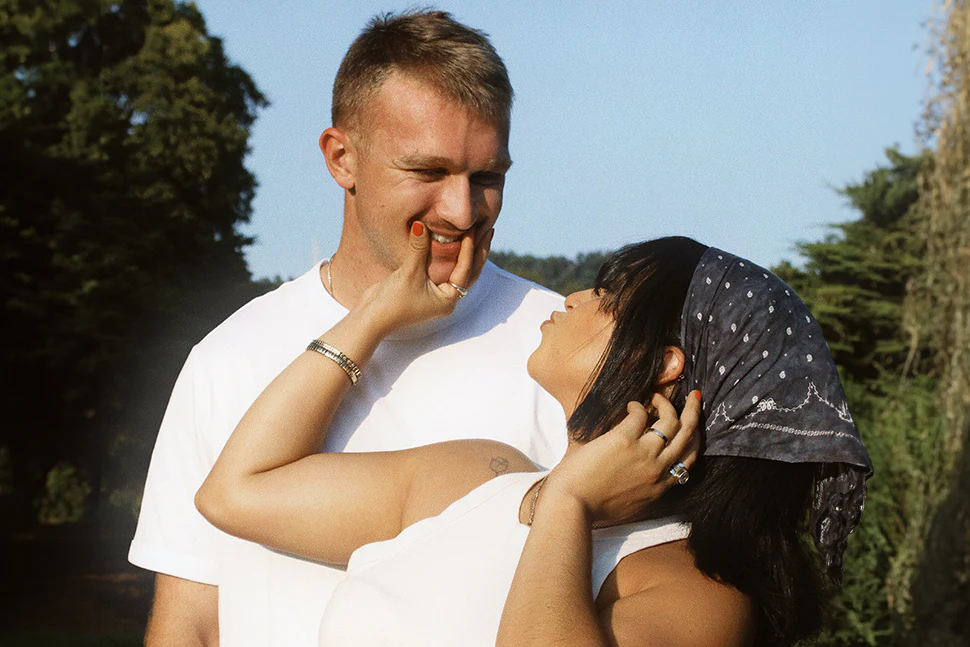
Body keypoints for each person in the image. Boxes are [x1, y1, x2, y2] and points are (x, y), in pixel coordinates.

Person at [128, 11, 571, 647]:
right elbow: (191, 622)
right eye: (428, 172)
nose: (461, 210)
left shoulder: (561, 350)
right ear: (342, 158)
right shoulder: (227, 359)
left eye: (487, 178)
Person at [196, 232, 872, 647]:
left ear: (666, 363)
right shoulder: (478, 480)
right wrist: (372, 317)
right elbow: (236, 490)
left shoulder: (696, 592)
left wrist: (569, 502)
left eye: (608, 295)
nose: (575, 294)